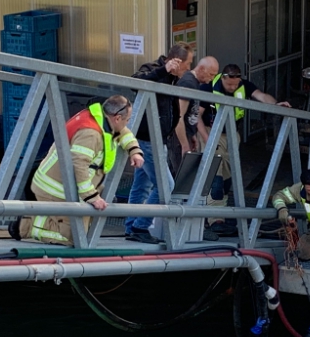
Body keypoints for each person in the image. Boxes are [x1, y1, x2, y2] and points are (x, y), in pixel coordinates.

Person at [15, 95, 143, 246]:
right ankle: (27, 224)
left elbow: (123, 131)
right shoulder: (90, 134)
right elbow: (79, 166)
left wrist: (134, 150)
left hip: (69, 188)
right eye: (127, 119)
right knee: (74, 237)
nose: (127, 124)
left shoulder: (101, 118)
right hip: (56, 189)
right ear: (116, 118)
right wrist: (92, 197)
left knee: (84, 233)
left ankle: (52, 219)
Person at [200, 63, 292, 235]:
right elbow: (197, 115)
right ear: (224, 78)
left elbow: (262, 96)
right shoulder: (209, 87)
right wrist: (207, 138)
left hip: (232, 134)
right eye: (229, 85)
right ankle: (214, 219)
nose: (233, 87)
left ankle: (220, 216)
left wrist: (276, 105)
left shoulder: (244, 85)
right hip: (211, 133)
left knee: (227, 179)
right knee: (215, 178)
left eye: (236, 84)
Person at [124, 44, 193, 244]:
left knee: (142, 186)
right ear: (177, 62)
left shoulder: (173, 79)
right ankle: (140, 226)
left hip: (156, 139)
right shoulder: (154, 69)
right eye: (187, 64)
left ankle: (131, 227)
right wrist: (164, 70)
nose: (188, 69)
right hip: (148, 140)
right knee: (166, 187)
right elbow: (134, 82)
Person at [173, 55, 220, 169]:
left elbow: (191, 114)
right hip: (177, 140)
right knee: (178, 177)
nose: (212, 79)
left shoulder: (194, 83)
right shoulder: (188, 83)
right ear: (201, 69)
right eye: (211, 74)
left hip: (186, 135)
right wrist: (184, 145)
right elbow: (178, 117)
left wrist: (192, 134)